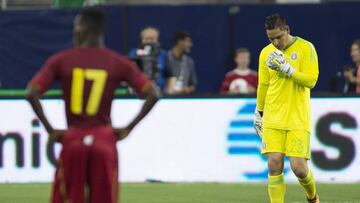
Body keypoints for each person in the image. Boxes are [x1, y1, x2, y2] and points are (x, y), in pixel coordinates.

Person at [26, 7, 161, 203]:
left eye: (76, 27)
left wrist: (50, 129)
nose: (74, 32)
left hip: (73, 139)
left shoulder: (62, 60)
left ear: (83, 28)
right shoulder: (118, 62)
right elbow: (154, 94)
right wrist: (128, 128)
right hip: (104, 140)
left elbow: (31, 93)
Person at [254, 14, 320, 203]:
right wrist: (259, 111)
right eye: (270, 38)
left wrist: (288, 69)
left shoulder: (306, 48)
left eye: (278, 37)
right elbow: (263, 84)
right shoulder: (265, 53)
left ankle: (312, 197)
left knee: (299, 168)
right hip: (273, 117)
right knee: (274, 164)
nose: (275, 42)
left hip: (297, 117)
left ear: (287, 30)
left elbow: (311, 80)